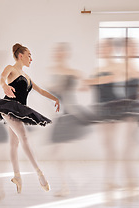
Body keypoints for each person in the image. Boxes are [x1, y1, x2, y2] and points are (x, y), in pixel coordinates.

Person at [0, 43, 60, 193]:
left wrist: (55, 99)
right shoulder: (11, 69)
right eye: (29, 55)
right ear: (21, 56)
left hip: (19, 109)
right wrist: (4, 86)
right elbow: (1, 78)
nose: (31, 59)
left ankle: (17, 176)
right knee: (24, 137)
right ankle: (40, 174)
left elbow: (41, 91)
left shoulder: (27, 77)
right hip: (9, 107)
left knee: (14, 143)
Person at [83, 38, 139, 202]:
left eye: (105, 48)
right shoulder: (99, 68)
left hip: (118, 108)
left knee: (125, 147)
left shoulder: (119, 67)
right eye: (100, 48)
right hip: (102, 109)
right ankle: (111, 181)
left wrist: (94, 81)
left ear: (111, 50)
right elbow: (86, 85)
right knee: (109, 147)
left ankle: (129, 180)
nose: (102, 50)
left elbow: (117, 79)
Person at [47, 42, 91, 197]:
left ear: (66, 54)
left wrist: (80, 86)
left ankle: (71, 181)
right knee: (56, 152)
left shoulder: (73, 72)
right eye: (56, 51)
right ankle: (66, 185)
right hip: (61, 115)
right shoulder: (53, 71)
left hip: (71, 113)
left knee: (61, 151)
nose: (57, 53)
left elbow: (85, 85)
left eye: (60, 51)